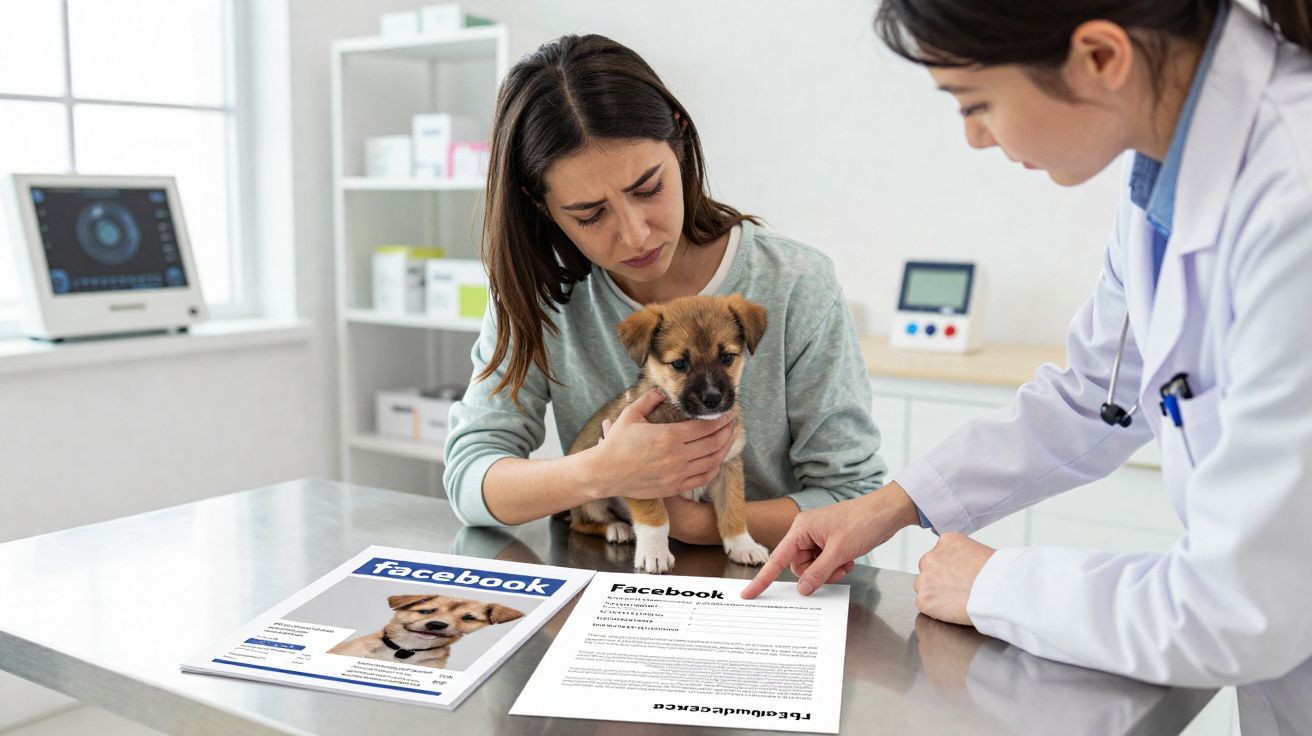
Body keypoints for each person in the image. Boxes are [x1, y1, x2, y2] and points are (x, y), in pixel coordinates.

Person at [745, 0, 1312, 687]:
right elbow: (1096, 396)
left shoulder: (1293, 198)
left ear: (1101, 57)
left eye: (974, 102)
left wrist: (991, 583)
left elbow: (1237, 609)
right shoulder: (1165, 176)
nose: (975, 139)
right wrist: (887, 506)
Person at [442, 34, 887, 548]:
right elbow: (468, 479)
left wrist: (698, 524)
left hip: (770, 586)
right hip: (607, 578)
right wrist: (601, 473)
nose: (635, 234)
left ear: (678, 140)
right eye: (589, 214)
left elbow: (853, 495)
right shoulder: (535, 294)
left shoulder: (795, 283)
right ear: (538, 203)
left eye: (648, 188)